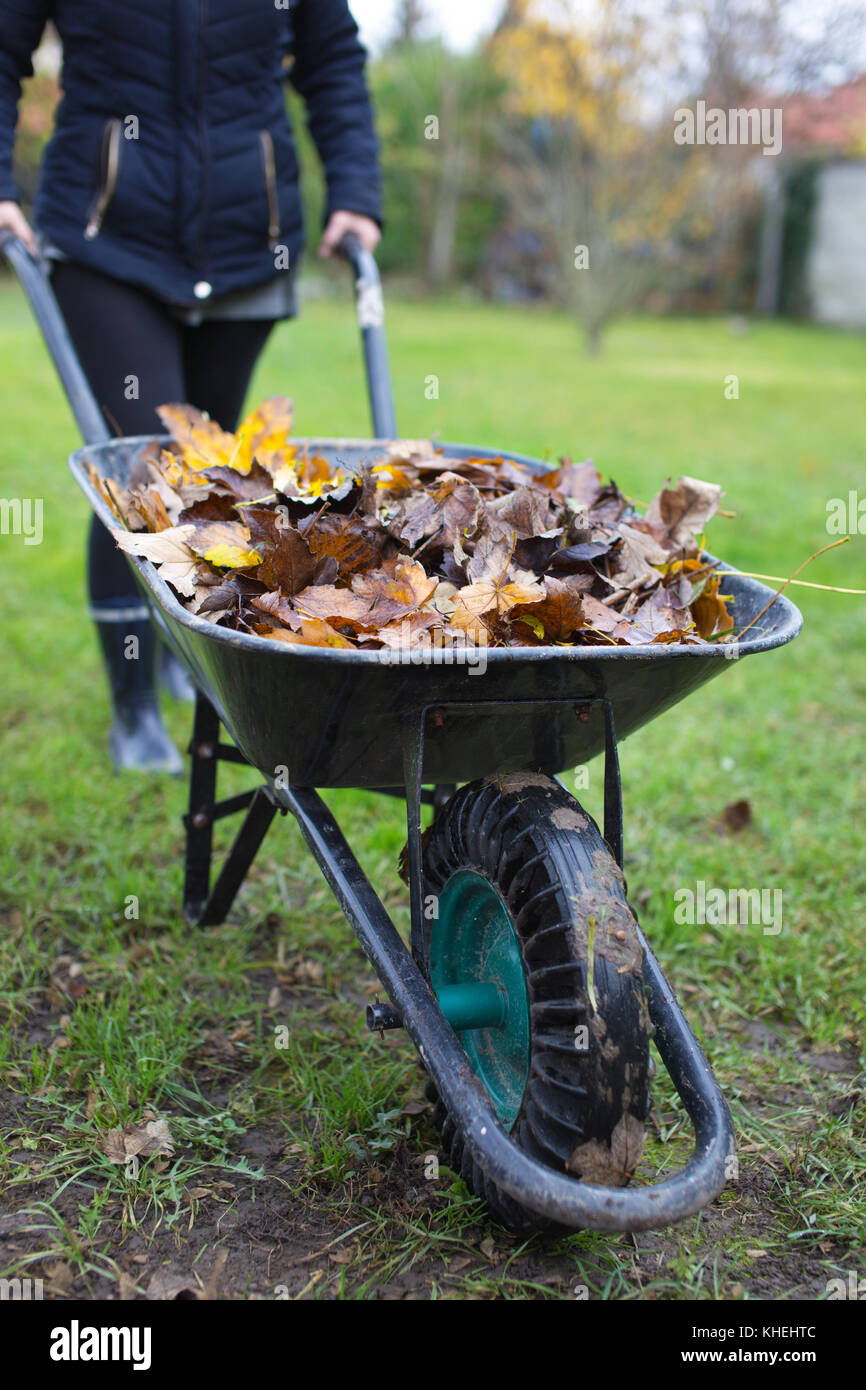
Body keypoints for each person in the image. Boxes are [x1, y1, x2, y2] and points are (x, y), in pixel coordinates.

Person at [0, 0, 382, 771]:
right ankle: (134, 704)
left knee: (209, 473)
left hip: (250, 244)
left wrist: (356, 194)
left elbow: (332, 59)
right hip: (106, 238)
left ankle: (188, 650)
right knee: (142, 464)